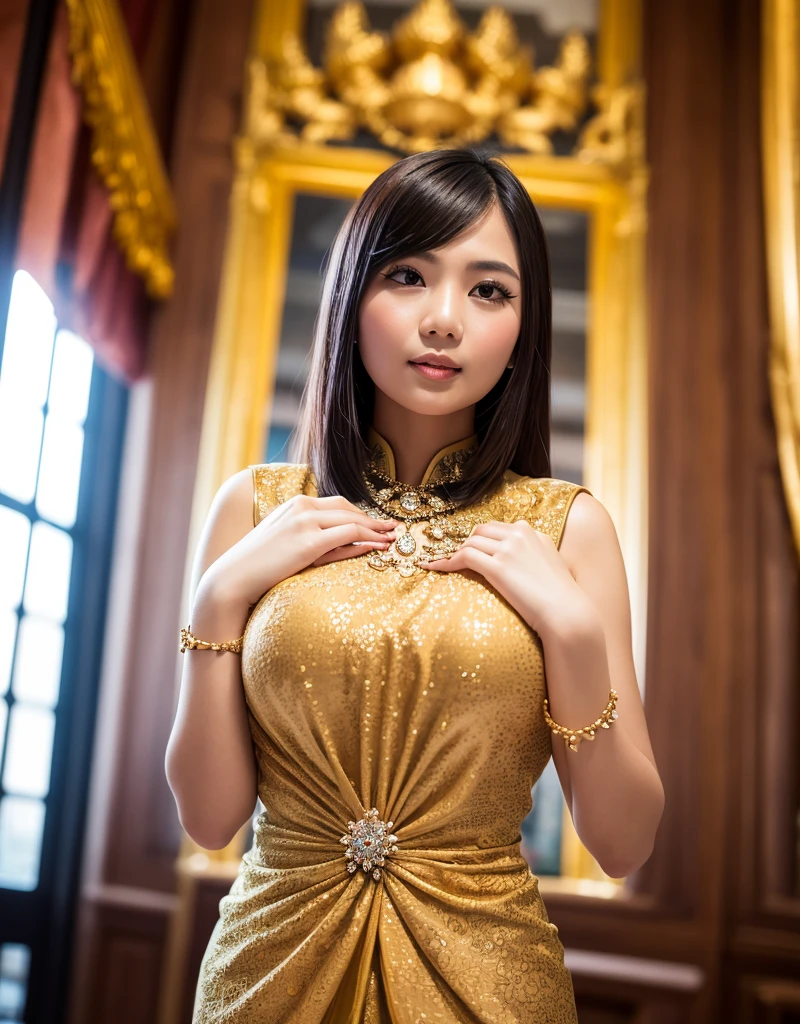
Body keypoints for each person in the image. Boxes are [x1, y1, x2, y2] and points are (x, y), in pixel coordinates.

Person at [166, 147, 665, 1023]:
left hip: (491, 981)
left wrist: (575, 636)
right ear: (351, 300)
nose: (444, 320)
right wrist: (216, 602)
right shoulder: (255, 508)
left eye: (488, 290)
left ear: (524, 329)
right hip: (266, 972)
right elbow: (210, 820)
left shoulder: (566, 528)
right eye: (407, 275)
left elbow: (624, 844)